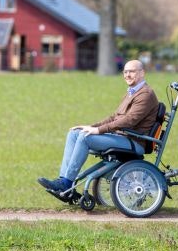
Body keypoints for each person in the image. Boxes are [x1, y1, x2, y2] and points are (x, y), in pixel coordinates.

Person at [38, 60, 160, 194]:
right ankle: (63, 179)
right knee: (74, 133)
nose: (127, 75)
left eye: (131, 71)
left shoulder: (146, 94)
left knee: (85, 138)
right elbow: (114, 117)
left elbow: (129, 121)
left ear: (142, 73)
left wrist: (98, 130)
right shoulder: (131, 92)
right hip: (122, 136)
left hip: (134, 141)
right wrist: (90, 127)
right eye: (125, 72)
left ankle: (67, 183)